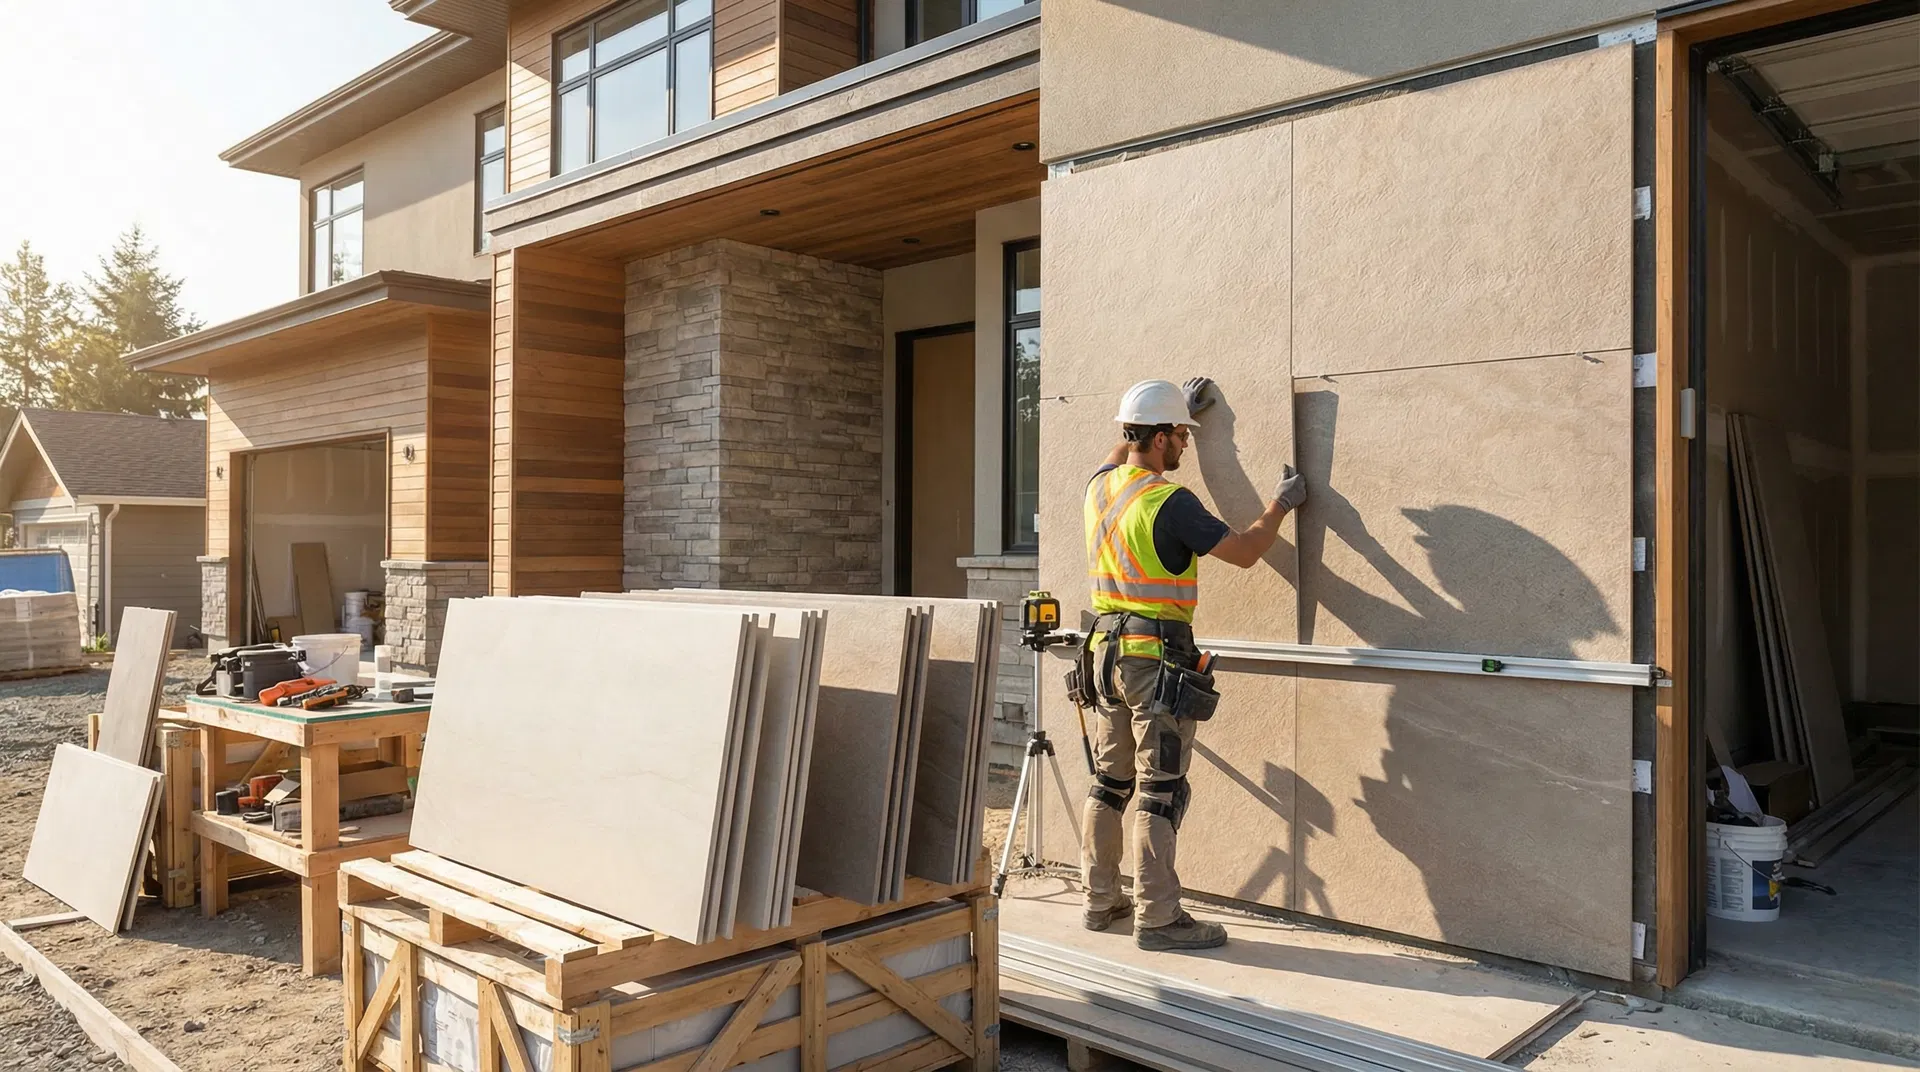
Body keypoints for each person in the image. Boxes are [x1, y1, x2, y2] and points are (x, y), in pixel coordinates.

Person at [1079, 376, 1307, 950]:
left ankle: (1100, 900)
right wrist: (1282, 503)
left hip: (1104, 657)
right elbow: (1248, 553)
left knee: (1110, 782)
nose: (1184, 444)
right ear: (1158, 438)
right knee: (1161, 790)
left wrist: (1173, 403)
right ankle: (1157, 919)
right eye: (1180, 435)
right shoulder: (1168, 502)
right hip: (1153, 663)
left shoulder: (1101, 487)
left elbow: (1117, 451)